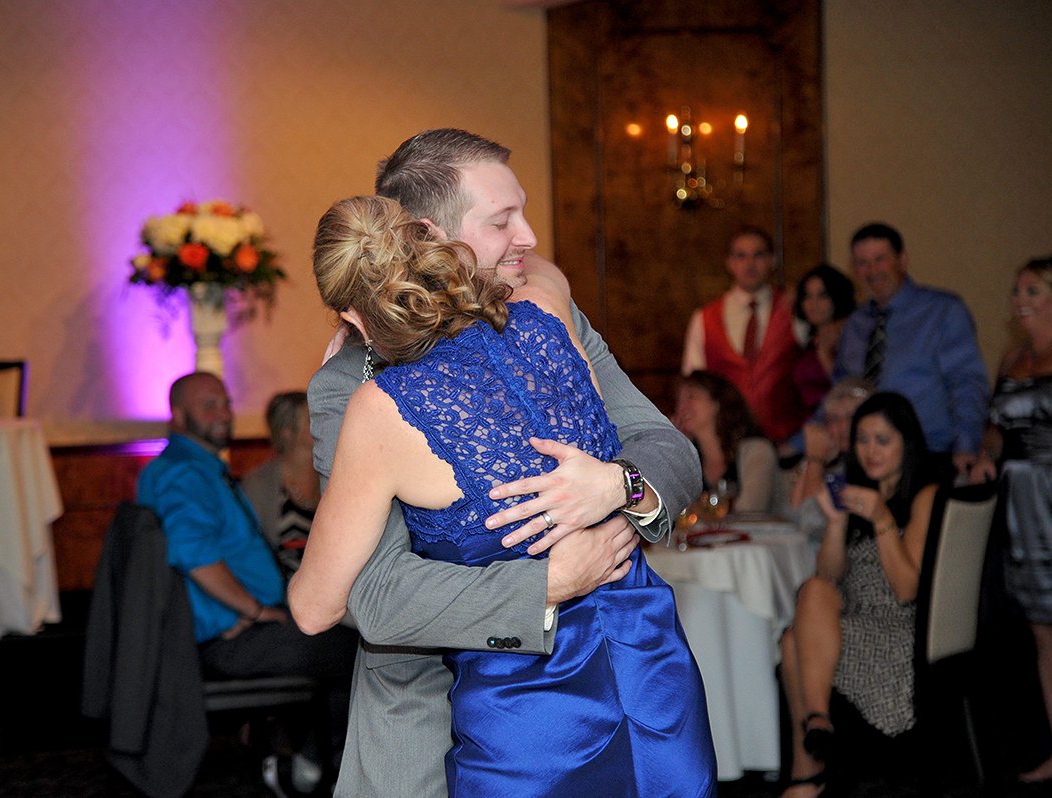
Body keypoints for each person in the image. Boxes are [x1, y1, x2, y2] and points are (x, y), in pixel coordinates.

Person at [307, 129, 705, 798]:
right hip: (436, 714)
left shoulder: (547, 316)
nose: (528, 237)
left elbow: (669, 449)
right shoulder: (351, 387)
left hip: (621, 667)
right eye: (502, 220)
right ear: (433, 235)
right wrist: (545, 584)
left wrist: (617, 487)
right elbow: (370, 589)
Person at [135, 373, 358, 788]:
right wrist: (249, 610)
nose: (223, 413)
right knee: (359, 650)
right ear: (179, 416)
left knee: (339, 637)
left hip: (235, 627)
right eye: (208, 405)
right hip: (229, 639)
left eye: (225, 402)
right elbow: (194, 556)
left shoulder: (199, 470)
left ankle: (316, 759)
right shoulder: (184, 474)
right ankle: (332, 767)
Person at [969, 256, 1052, 785]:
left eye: (1032, 290)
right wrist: (985, 453)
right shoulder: (1012, 358)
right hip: (1022, 508)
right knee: (1044, 634)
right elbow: (997, 430)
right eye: (1016, 290)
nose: (1019, 299)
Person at [778, 392, 939, 798]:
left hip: (898, 625)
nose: (870, 451)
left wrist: (881, 516)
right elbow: (830, 575)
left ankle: (807, 773)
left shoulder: (924, 495)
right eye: (862, 439)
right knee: (814, 587)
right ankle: (819, 721)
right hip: (849, 610)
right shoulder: (854, 487)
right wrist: (836, 523)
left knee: (792, 642)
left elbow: (906, 590)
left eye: (882, 440)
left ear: (907, 441)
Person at [832, 222, 990, 478]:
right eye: (862, 263)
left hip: (928, 457)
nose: (872, 271)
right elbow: (840, 390)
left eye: (880, 259)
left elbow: (966, 383)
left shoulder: (943, 311)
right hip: (867, 461)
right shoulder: (855, 325)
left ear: (902, 260)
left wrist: (966, 446)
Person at [681, 226, 807, 444]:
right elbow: (692, 386)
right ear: (730, 263)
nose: (750, 264)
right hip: (726, 445)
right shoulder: (704, 318)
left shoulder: (795, 311)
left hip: (786, 442)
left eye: (758, 255)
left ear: (773, 261)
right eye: (741, 256)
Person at [674, 370, 786, 515]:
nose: (681, 408)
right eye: (678, 401)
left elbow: (750, 510)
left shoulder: (756, 450)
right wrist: (675, 451)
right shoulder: (687, 460)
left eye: (691, 397)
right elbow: (672, 515)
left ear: (718, 402)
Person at [242, 391, 318, 575]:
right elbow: (248, 551)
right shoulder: (259, 484)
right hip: (278, 596)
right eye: (312, 418)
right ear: (287, 431)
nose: (324, 422)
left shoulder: (331, 474)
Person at [789, 378, 872, 545]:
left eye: (850, 417)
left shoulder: (871, 466)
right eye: (834, 419)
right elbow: (795, 516)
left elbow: (812, 523)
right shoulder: (834, 464)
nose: (842, 427)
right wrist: (813, 460)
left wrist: (816, 459)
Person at [792, 263, 856, 416]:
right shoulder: (809, 338)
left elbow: (850, 390)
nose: (813, 304)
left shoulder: (850, 336)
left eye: (822, 295)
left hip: (837, 422)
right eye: (807, 296)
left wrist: (825, 354)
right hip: (808, 423)